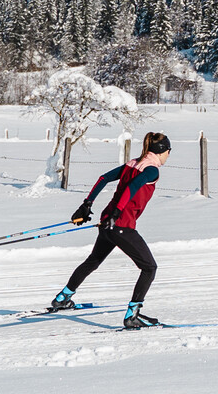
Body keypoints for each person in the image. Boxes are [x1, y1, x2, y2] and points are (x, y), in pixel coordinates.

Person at [47, 132, 171, 328]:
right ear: (163, 151)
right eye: (168, 151)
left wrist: (86, 205)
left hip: (107, 222)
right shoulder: (152, 170)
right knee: (149, 267)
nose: (168, 156)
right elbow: (131, 188)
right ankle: (132, 315)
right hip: (120, 225)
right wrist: (117, 213)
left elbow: (103, 178)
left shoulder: (132, 163)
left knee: (93, 261)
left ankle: (63, 297)